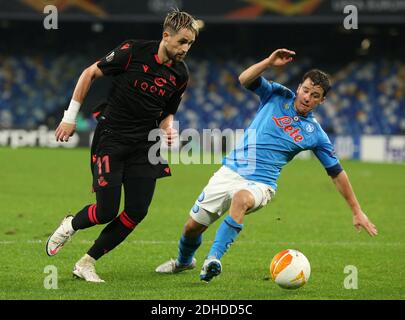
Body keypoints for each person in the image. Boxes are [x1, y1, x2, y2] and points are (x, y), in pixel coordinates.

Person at [155, 48, 378, 282]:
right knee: (192, 228)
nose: (307, 97)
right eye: (305, 90)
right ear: (298, 87)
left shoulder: (316, 134)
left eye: (315, 95)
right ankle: (183, 262)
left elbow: (336, 173)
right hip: (229, 171)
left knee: (241, 198)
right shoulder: (277, 95)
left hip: (261, 183)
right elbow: (244, 79)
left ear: (322, 100)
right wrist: (269, 63)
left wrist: (356, 210)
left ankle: (213, 259)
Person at [46, 9, 199, 282]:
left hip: (145, 145)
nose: (186, 48)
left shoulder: (180, 74)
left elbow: (167, 112)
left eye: (190, 43)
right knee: (106, 211)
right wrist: (69, 118)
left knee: (137, 210)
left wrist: (169, 129)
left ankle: (86, 262)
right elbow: (89, 73)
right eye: (182, 42)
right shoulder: (133, 51)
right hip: (112, 138)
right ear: (166, 36)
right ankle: (70, 224)